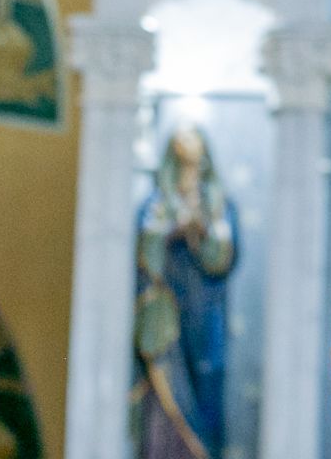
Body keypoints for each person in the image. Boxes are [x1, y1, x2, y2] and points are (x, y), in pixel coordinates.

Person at [133, 126, 238, 459]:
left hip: (205, 312)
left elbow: (222, 258)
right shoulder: (157, 203)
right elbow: (145, 253)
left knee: (206, 385)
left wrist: (202, 231)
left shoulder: (218, 203)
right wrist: (169, 232)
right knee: (165, 389)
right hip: (164, 314)